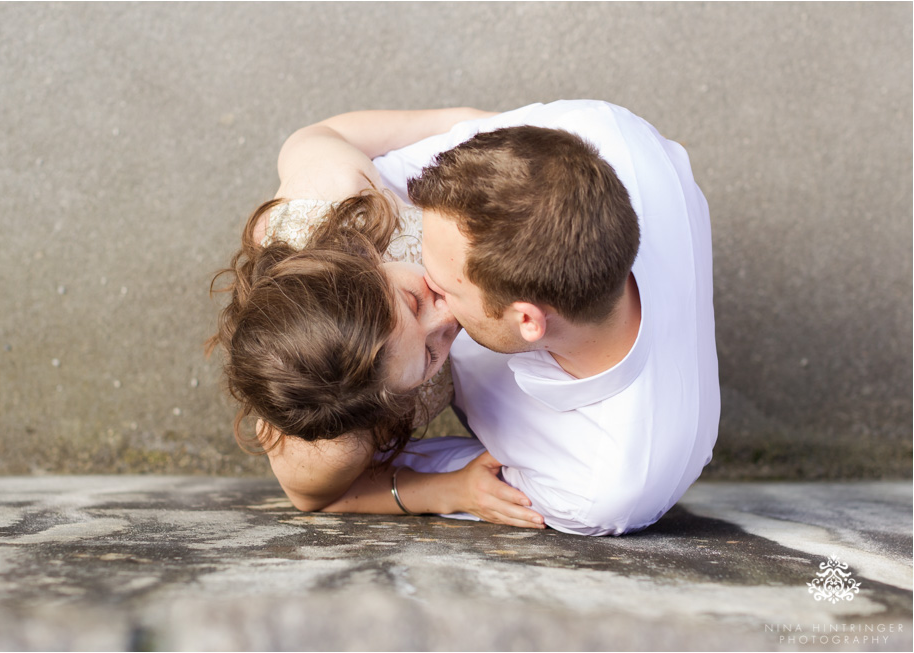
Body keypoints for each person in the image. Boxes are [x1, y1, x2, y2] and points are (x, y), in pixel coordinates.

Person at [374, 100, 721, 536]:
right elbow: (350, 149)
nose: (426, 288)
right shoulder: (599, 138)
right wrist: (316, 159)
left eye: (445, 290)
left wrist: (434, 491)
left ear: (528, 322)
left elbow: (379, 476)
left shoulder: (593, 485)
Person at [209, 108, 546, 529]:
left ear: (362, 259)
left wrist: (490, 127)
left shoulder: (336, 191)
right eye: (428, 356)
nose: (449, 319)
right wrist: (453, 491)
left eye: (412, 301)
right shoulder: (334, 443)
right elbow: (313, 498)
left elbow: (321, 131)